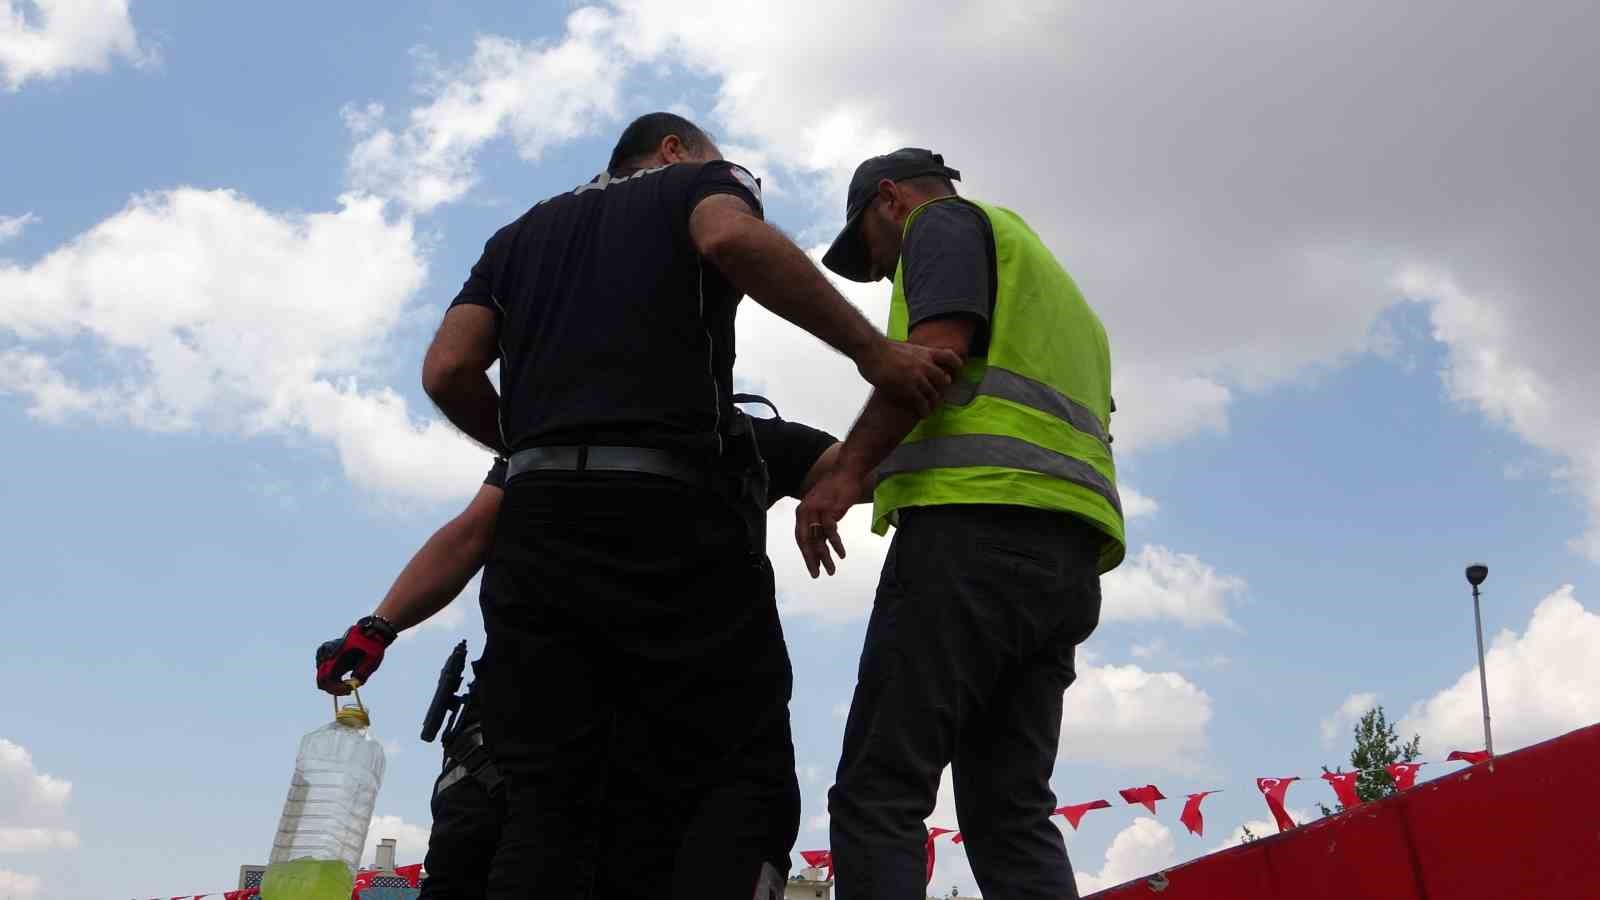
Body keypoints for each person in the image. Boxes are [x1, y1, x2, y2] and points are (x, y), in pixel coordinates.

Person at [414, 113, 960, 900]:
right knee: (737, 778)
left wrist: (532, 447)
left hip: (538, 536)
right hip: (671, 524)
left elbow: (447, 369)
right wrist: (876, 354)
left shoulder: (514, 237)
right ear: (672, 150)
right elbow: (731, 241)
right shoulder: (698, 182)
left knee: (548, 805)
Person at [314, 404, 844, 899]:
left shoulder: (741, 439)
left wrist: (837, 480)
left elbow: (859, 463)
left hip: (690, 749)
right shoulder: (557, 437)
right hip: (547, 752)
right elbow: (471, 532)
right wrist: (378, 626)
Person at [796, 149, 1127, 900]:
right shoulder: (1056, 288)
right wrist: (860, 465)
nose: (882, 275)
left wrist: (848, 471)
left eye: (872, 253)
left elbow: (936, 358)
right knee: (1011, 811)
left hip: (971, 539)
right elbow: (987, 408)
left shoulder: (940, 224)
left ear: (890, 200)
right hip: (1066, 559)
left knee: (881, 791)